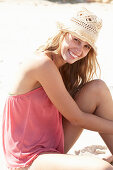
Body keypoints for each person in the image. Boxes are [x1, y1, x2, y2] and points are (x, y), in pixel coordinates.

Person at [2, 7, 113, 170]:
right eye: (76, 39)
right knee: (102, 168)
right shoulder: (42, 64)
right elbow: (77, 118)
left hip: (53, 143)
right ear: (63, 33)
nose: (79, 50)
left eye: (86, 46)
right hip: (28, 156)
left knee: (98, 88)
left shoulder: (65, 68)